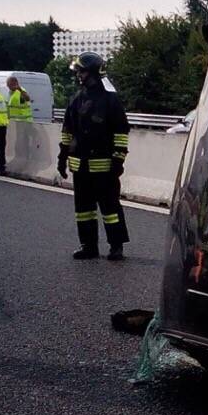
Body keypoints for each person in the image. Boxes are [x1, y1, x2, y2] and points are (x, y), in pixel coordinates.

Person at [58, 52, 129, 260]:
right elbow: (67, 131)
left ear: (92, 73)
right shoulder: (76, 100)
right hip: (79, 167)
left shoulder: (110, 100)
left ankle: (116, 246)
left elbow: (121, 131)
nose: (78, 75)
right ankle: (88, 246)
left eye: (81, 71)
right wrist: (62, 157)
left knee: (110, 209)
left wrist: (118, 159)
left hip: (105, 168)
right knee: (83, 210)